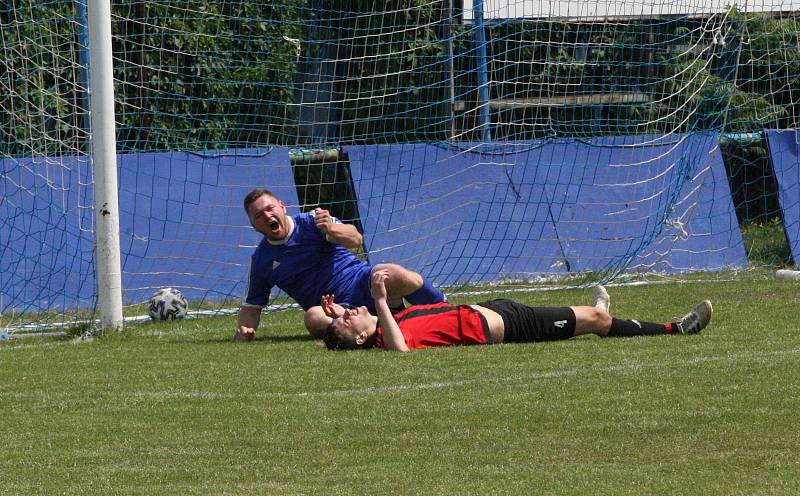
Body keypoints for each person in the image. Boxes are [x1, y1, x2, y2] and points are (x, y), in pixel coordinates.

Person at [234, 188, 446, 341]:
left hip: (363, 282)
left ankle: (444, 309)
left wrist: (331, 229)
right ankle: (376, 328)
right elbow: (252, 306)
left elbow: (355, 239)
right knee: (313, 317)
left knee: (393, 272)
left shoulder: (313, 221)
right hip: (334, 310)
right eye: (259, 216)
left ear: (282, 206)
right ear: (253, 225)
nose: (267, 216)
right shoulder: (261, 260)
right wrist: (245, 329)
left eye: (270, 208)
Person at [321, 269, 713, 351]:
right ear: (360, 337)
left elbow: (379, 317)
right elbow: (400, 352)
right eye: (344, 321)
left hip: (494, 308)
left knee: (582, 316)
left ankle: (599, 313)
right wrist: (376, 305)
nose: (346, 313)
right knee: (597, 321)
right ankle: (675, 329)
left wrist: (342, 311)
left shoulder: (388, 321)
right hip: (509, 326)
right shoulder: (387, 339)